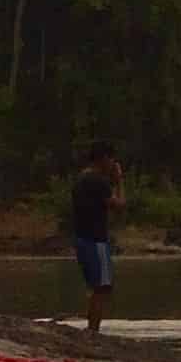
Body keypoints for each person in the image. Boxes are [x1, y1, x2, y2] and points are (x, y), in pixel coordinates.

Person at [65, 136, 125, 336]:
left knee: (96, 286)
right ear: (104, 158)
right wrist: (119, 181)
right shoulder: (98, 181)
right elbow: (119, 205)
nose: (113, 164)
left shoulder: (81, 179)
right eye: (111, 159)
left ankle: (92, 329)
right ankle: (93, 331)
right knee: (102, 287)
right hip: (95, 240)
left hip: (82, 238)